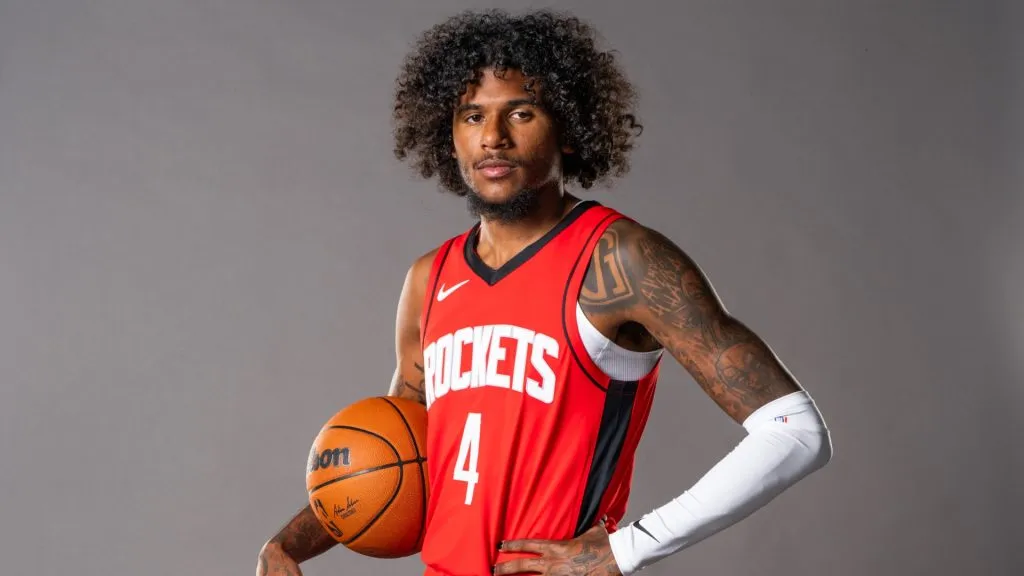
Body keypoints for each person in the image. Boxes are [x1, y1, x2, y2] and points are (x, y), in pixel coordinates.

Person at [257, 8, 833, 576]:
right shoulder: (429, 279)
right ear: (448, 134)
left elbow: (795, 433)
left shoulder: (621, 260)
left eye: (521, 113)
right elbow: (396, 460)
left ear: (572, 130)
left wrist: (629, 548)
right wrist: (289, 544)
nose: (493, 137)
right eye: (471, 115)